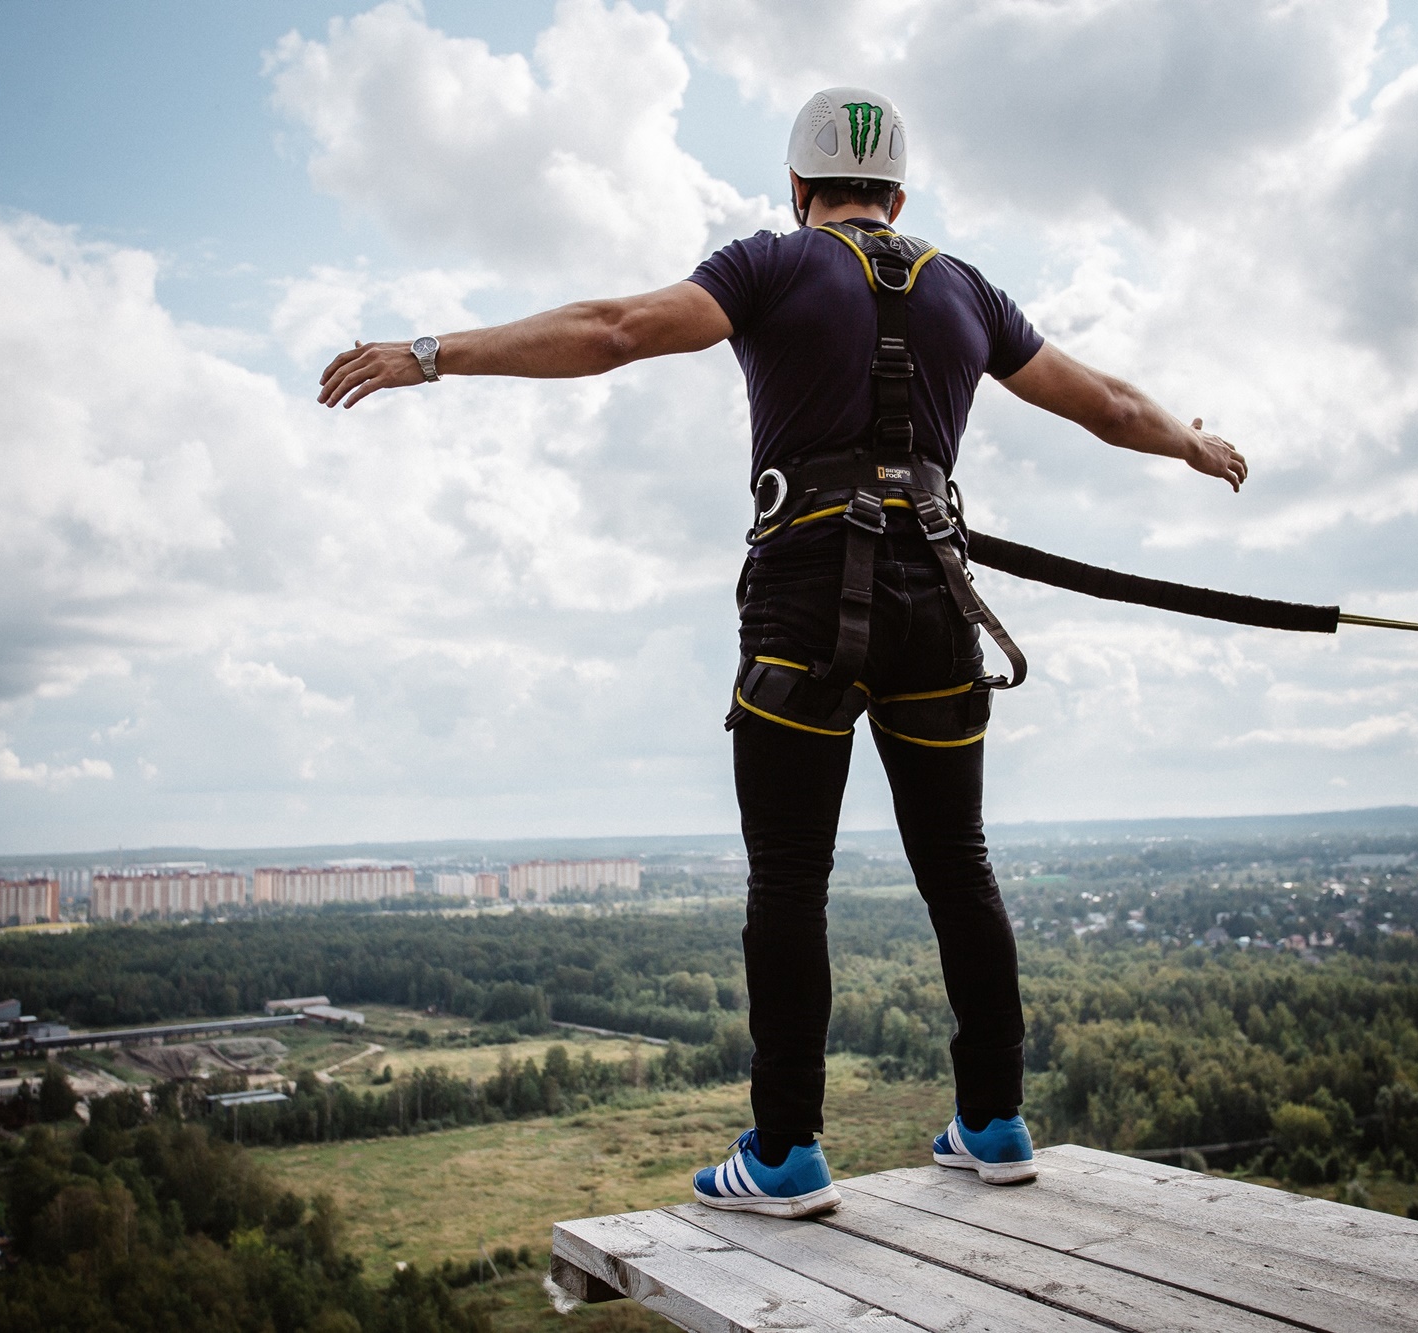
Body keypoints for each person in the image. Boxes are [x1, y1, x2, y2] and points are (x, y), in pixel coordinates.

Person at [319, 88, 1247, 1218]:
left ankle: (785, 1150)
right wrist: (1191, 443)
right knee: (958, 862)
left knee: (788, 880)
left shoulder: (767, 265)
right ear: (898, 196)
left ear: (798, 191)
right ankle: (996, 1122)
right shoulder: (963, 288)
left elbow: (614, 331)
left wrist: (432, 352)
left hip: (807, 600)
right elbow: (1100, 400)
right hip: (936, 603)